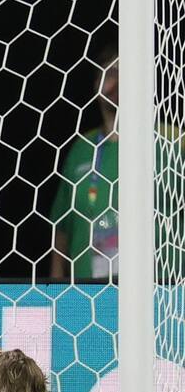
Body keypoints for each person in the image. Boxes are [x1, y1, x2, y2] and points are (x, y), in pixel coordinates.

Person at [50, 44, 118, 280]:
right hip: (87, 295)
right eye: (109, 73)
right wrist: (55, 291)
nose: (117, 81)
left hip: (160, 293)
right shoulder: (82, 148)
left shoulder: (171, 142)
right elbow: (61, 228)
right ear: (96, 85)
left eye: (125, 71)